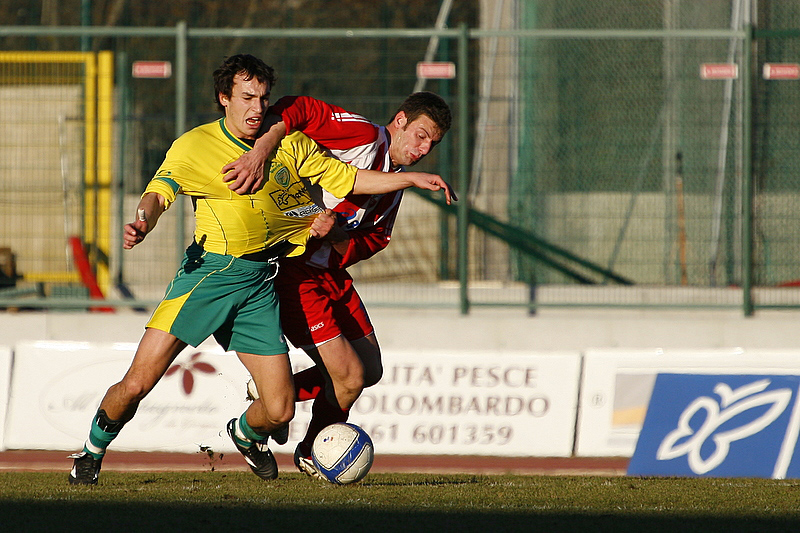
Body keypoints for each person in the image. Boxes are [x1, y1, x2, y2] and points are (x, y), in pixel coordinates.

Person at [67, 55, 454, 485]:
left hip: (260, 284)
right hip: (210, 277)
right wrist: (143, 221)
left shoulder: (292, 145)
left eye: (263, 98)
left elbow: (347, 180)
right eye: (247, 97)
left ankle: (247, 435)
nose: (258, 108)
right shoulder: (195, 145)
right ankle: (90, 452)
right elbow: (159, 192)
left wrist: (410, 180)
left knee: (281, 409)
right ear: (224, 98)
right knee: (138, 383)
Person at [220, 91, 452, 477]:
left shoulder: (395, 181)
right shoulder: (363, 137)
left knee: (370, 370)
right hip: (294, 272)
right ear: (400, 121)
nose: (424, 149)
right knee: (350, 377)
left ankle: (274, 389)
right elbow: (299, 108)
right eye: (421, 135)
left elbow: (374, 240)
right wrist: (263, 147)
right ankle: (291, 445)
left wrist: (336, 237)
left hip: (330, 275)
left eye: (433, 143)